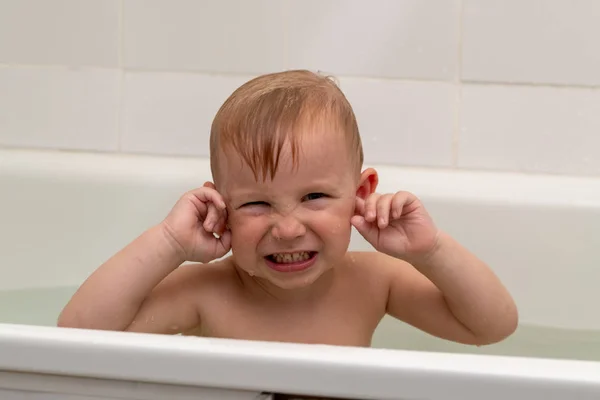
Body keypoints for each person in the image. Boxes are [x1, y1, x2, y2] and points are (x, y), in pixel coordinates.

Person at [58, 70, 518, 347]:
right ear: (221, 207)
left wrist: (429, 250)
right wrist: (170, 242)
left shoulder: (376, 282)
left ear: (361, 192)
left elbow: (491, 326)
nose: (288, 228)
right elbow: (79, 334)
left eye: (314, 197)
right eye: (256, 203)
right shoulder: (209, 292)